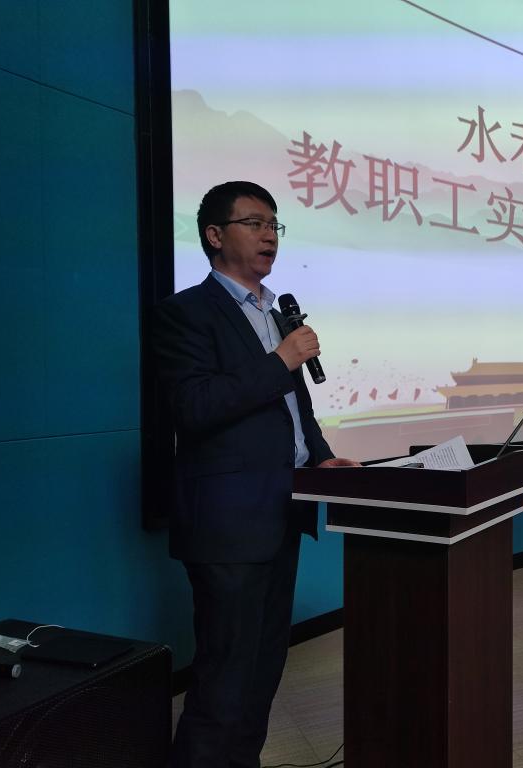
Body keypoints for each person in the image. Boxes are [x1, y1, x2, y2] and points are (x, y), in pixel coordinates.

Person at [153, 180, 358, 768]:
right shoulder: (185, 313)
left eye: (274, 224)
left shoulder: (275, 313)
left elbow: (295, 409)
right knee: (224, 680)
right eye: (254, 223)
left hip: (281, 515)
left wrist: (319, 457)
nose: (269, 235)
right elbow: (194, 407)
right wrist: (280, 360)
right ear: (215, 236)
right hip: (227, 527)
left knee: (263, 673)